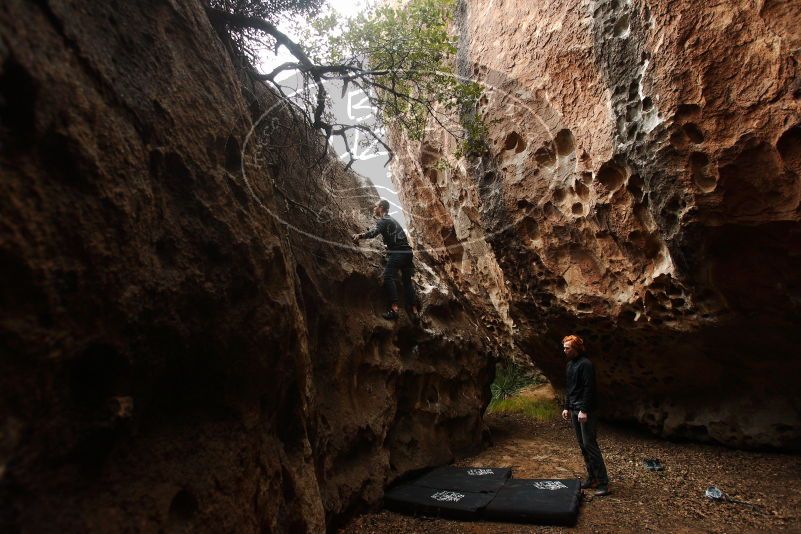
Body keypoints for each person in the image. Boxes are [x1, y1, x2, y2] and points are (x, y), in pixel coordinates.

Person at [352, 199, 418, 320]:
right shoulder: (393, 220)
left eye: (375, 206)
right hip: (408, 253)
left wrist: (359, 236)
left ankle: (394, 309)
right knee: (407, 282)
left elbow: (373, 233)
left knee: (388, 276)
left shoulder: (384, 220)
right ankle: (414, 311)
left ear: (381, 207)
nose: (374, 208)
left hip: (399, 252)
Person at [561, 334, 610, 496]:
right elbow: (569, 388)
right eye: (564, 347)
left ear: (575, 349)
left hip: (585, 410)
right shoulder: (570, 365)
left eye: (567, 348)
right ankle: (592, 478)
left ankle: (603, 483)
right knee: (582, 444)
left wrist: (584, 410)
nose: (564, 350)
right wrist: (567, 407)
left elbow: (589, 389)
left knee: (590, 444)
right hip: (574, 408)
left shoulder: (586, 364)